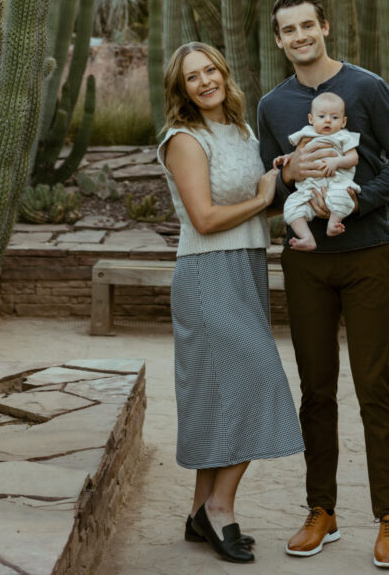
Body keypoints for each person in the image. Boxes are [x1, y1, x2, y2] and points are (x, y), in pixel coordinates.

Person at [257, 0, 389, 569]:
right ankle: (321, 512)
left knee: (376, 388)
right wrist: (288, 179)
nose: (301, 35)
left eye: (309, 24)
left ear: (324, 26)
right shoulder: (273, 106)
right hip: (305, 264)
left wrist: (358, 201)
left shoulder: (368, 88)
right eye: (289, 29)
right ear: (278, 40)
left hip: (368, 255)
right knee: (317, 390)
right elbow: (270, 188)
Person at [158, 41, 305, 565]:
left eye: (210, 71)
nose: (204, 82)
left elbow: (258, 185)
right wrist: (266, 200)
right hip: (206, 273)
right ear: (182, 90)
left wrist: (282, 177)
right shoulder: (184, 139)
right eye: (191, 77)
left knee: (218, 392)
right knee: (259, 378)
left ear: (224, 73)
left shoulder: (242, 132)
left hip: (245, 268)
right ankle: (221, 507)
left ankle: (199, 511)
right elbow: (204, 218)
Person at [273, 91, 360, 249]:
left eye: (334, 117)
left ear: (343, 121)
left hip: (336, 183)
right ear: (311, 119)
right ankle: (307, 238)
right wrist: (287, 158)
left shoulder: (343, 137)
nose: (328, 120)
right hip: (309, 188)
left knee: (343, 198)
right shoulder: (306, 133)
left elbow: (353, 158)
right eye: (321, 117)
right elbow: (299, 153)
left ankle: (333, 224)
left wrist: (337, 162)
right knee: (291, 207)